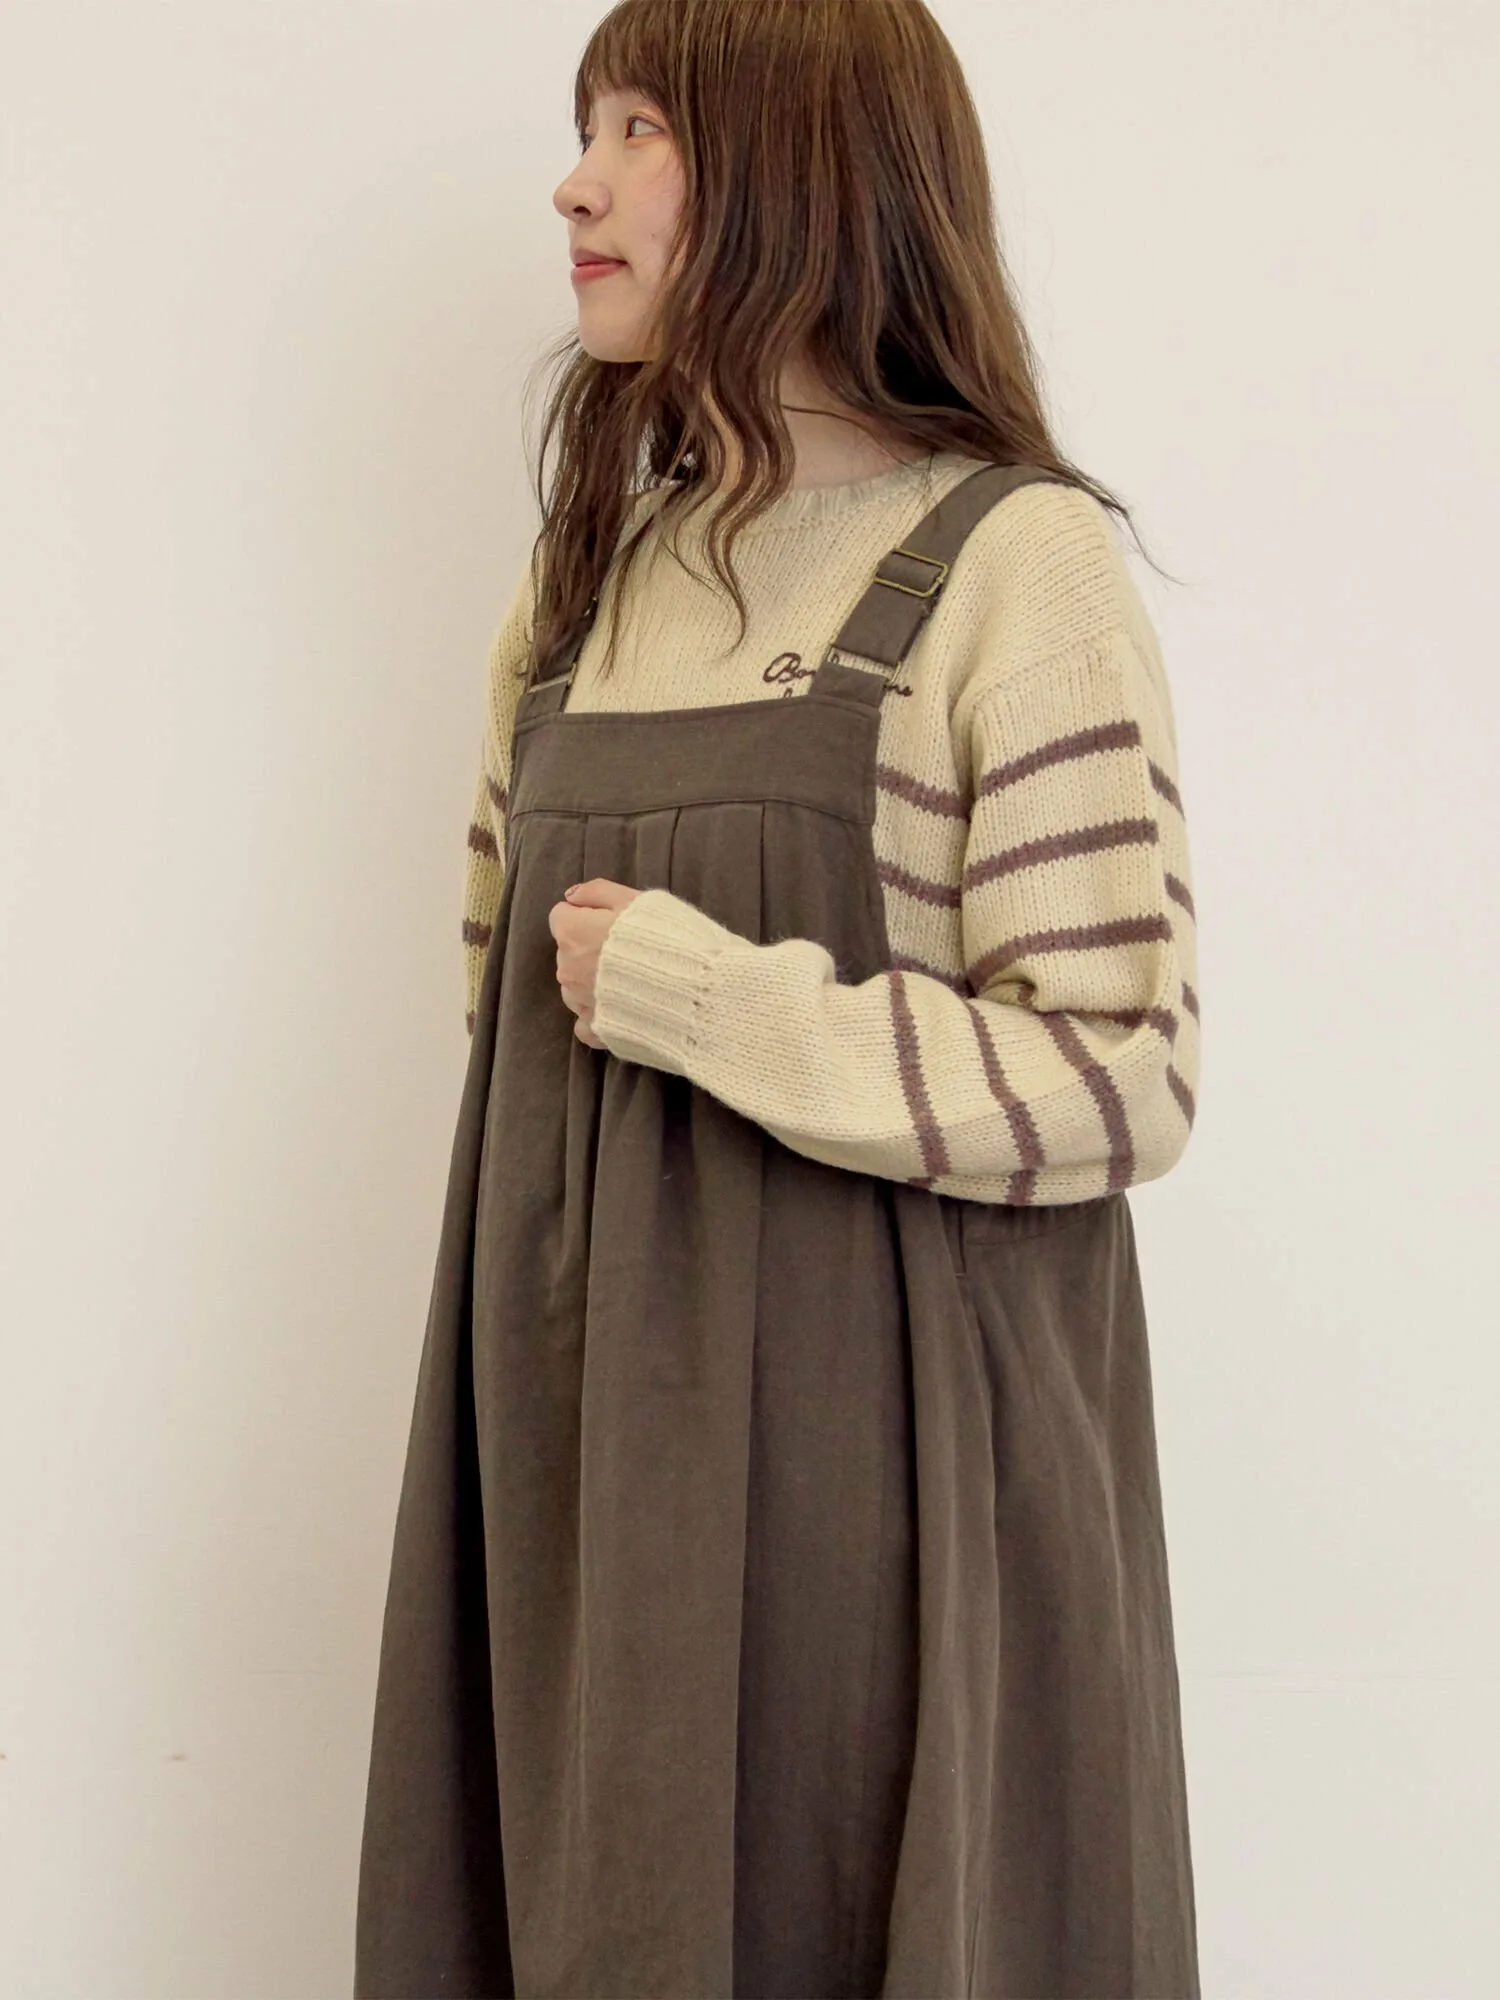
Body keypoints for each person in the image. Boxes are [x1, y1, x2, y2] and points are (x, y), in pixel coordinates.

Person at [354, 2, 1203, 1995]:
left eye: (638, 128)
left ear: (805, 171)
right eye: (586, 129)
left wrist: (724, 1005)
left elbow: (1121, 1076)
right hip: (575, 1454)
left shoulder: (1018, 564)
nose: (574, 185)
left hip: (885, 1480)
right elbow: (508, 1024)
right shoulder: (581, 586)